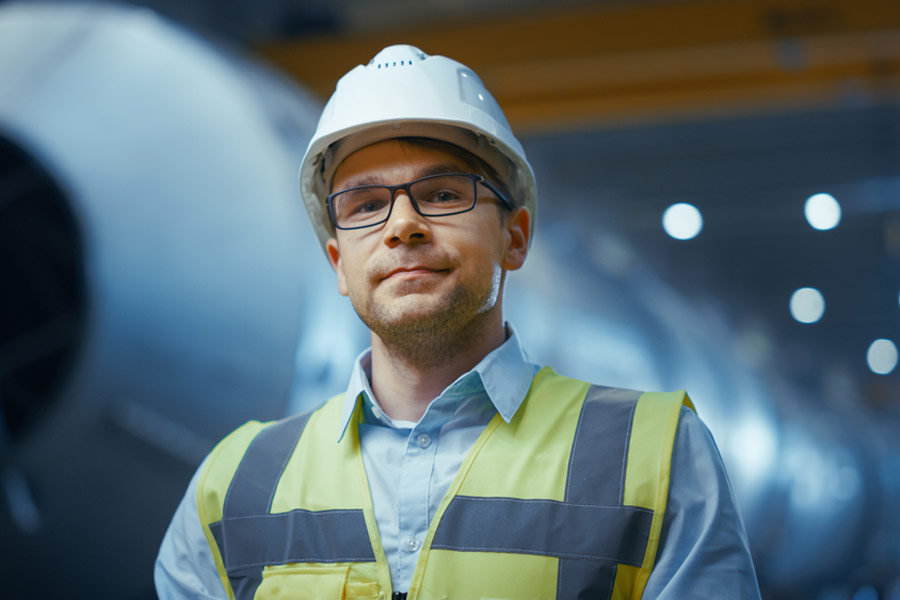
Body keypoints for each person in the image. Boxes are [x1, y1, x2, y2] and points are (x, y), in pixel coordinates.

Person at [155, 44, 761, 600]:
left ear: (514, 239)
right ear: (339, 264)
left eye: (443, 194)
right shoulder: (233, 488)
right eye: (366, 205)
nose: (401, 225)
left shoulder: (656, 455)